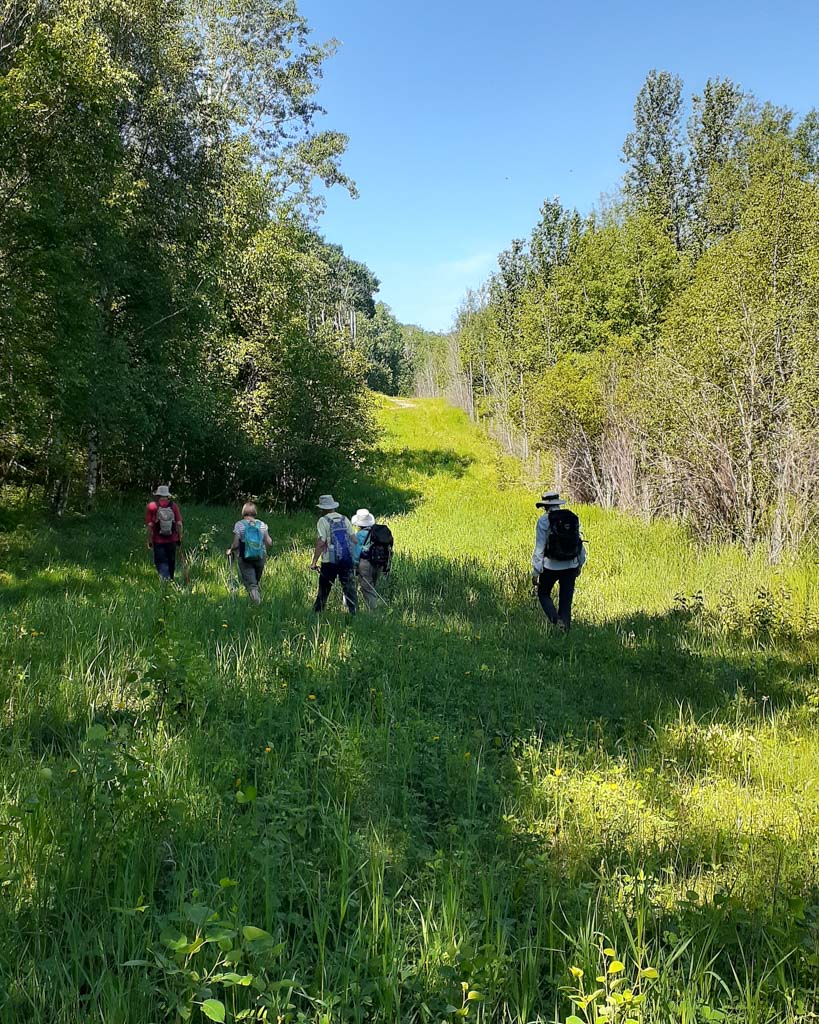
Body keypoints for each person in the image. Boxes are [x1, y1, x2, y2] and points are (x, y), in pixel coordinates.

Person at [532, 491, 586, 632]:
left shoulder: (544, 521)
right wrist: (580, 564)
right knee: (565, 602)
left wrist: (536, 571)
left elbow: (540, 548)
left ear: (545, 506)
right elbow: (579, 543)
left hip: (550, 566)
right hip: (571, 565)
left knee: (543, 594)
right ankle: (565, 632)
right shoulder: (572, 518)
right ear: (558, 503)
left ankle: (556, 621)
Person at [310, 495, 358, 615]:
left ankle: (317, 614)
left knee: (324, 589)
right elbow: (354, 540)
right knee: (349, 589)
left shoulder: (323, 521)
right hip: (346, 560)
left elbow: (321, 542)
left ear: (323, 508)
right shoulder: (344, 519)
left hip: (329, 561)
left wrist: (314, 562)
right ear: (333, 506)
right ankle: (354, 613)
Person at [227, 502, 273, 604]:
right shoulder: (262, 525)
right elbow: (269, 542)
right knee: (256, 581)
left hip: (245, 557)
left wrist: (231, 549)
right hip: (260, 556)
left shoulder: (239, 525)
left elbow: (236, 544)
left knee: (252, 585)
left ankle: (257, 605)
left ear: (243, 512)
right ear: (255, 512)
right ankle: (255, 602)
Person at [145, 485, 183, 582]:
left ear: (158, 495)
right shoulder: (173, 506)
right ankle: (171, 581)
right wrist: (179, 537)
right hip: (172, 540)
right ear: (167, 495)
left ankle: (165, 582)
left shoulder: (152, 506)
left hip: (158, 541)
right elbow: (179, 524)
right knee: (171, 562)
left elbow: (149, 526)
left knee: (161, 562)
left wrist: (149, 540)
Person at [351, 508, 381, 611]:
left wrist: (354, 565)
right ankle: (371, 610)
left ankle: (374, 612)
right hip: (378, 563)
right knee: (372, 586)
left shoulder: (359, 535)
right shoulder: (376, 533)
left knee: (367, 588)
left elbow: (356, 552)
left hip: (365, 563)